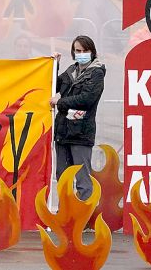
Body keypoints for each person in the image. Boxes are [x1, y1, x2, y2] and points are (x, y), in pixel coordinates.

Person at [51, 35, 105, 202]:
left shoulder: (96, 73)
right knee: (62, 177)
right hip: (62, 132)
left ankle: (86, 219)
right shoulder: (70, 71)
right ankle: (65, 214)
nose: (81, 53)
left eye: (84, 50)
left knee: (83, 179)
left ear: (92, 52)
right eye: (78, 50)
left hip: (81, 133)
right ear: (73, 52)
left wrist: (61, 102)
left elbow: (87, 99)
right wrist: (54, 65)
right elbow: (53, 84)